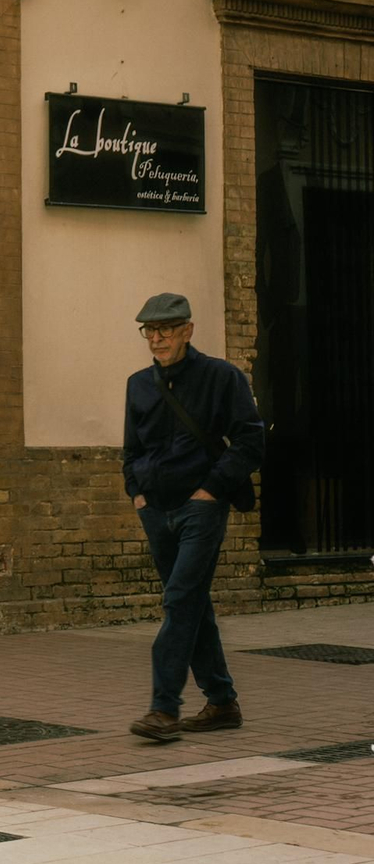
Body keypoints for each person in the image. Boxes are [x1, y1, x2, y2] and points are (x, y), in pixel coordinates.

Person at [122, 293, 263, 742]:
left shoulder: (222, 377)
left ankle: (163, 710)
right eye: (150, 330)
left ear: (188, 330)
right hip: (155, 510)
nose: (157, 338)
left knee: (179, 600)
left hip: (200, 508)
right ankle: (221, 701)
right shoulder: (138, 384)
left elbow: (250, 441)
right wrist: (137, 492)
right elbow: (132, 449)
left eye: (166, 329)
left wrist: (210, 491)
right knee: (193, 605)